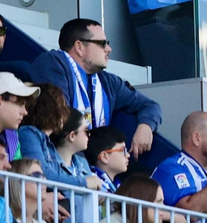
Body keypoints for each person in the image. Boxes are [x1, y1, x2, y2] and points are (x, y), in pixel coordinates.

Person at [31, 18, 161, 156]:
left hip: (93, 163)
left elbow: (150, 106)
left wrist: (146, 126)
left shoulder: (108, 82)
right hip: (59, 157)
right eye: (102, 43)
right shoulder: (53, 64)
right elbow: (60, 119)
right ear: (79, 47)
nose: (108, 49)